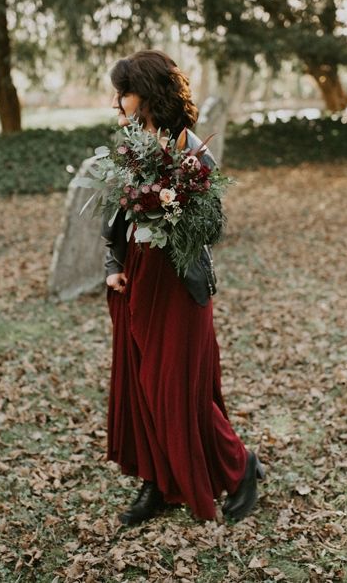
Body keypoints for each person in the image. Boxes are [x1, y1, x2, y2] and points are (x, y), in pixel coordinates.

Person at [102, 49, 264, 525]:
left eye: (125, 91)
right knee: (142, 386)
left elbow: (213, 224)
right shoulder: (131, 142)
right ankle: (157, 483)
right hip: (136, 278)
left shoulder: (192, 148)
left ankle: (241, 466)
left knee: (173, 387)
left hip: (177, 283)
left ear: (148, 92)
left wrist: (169, 208)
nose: (118, 101)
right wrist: (114, 261)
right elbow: (116, 214)